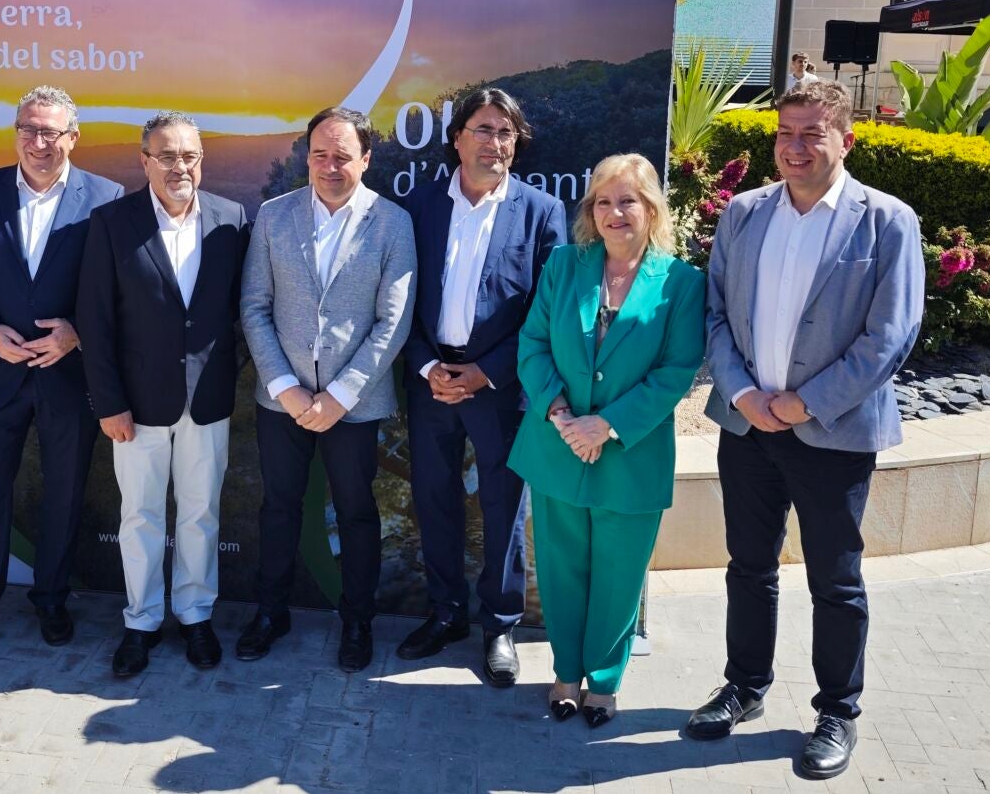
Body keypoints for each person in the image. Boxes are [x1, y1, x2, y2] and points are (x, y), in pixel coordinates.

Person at [688, 80, 923, 781]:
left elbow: (889, 336)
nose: (795, 147)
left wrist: (806, 403)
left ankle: (837, 710)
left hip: (834, 432)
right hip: (747, 425)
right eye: (785, 133)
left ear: (845, 139)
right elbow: (715, 315)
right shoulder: (744, 213)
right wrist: (742, 391)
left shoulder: (887, 221)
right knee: (748, 566)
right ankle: (744, 685)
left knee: (835, 579)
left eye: (811, 134)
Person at [509, 153, 705, 728]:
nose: (614, 212)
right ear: (590, 211)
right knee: (561, 570)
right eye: (603, 202)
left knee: (619, 577)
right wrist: (561, 413)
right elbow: (532, 344)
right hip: (558, 446)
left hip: (630, 455)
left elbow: (676, 370)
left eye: (627, 201)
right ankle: (566, 673)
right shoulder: (564, 266)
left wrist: (607, 424)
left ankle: (604, 680)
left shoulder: (682, 283)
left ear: (652, 209)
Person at [0, 86, 123, 664]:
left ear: (73, 137)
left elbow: (118, 288)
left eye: (51, 131)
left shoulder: (107, 197)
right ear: (16, 132)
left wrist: (77, 333)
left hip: (70, 376)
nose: (39, 142)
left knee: (65, 493)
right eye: (28, 129)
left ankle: (51, 600)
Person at [237, 106, 416, 672]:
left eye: (343, 155)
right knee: (279, 507)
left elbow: (394, 321)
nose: (330, 166)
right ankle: (271, 612)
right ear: (307, 158)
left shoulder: (393, 223)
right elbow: (254, 307)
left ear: (366, 159)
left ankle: (357, 620)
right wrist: (285, 387)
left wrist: (341, 395)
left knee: (357, 512)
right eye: (320, 154)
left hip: (354, 405)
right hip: (281, 399)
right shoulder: (274, 216)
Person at [396, 88, 565, 687]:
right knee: (434, 498)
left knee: (503, 506)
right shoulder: (418, 207)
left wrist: (485, 371)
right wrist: (428, 367)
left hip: (500, 386)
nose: (495, 143)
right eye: (484, 130)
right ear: (458, 138)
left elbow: (546, 312)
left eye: (506, 133)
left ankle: (499, 625)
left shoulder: (541, 211)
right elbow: (397, 299)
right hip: (430, 380)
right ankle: (445, 613)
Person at [76, 112, 250, 676]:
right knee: (140, 516)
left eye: (189, 156)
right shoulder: (111, 222)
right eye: (167, 156)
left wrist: (226, 372)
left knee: (201, 514)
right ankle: (142, 621)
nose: (180, 167)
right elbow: (95, 321)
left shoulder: (231, 219)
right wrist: (109, 403)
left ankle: (196, 616)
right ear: (144, 160)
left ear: (202, 160)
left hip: (208, 399)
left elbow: (243, 312)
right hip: (135, 404)